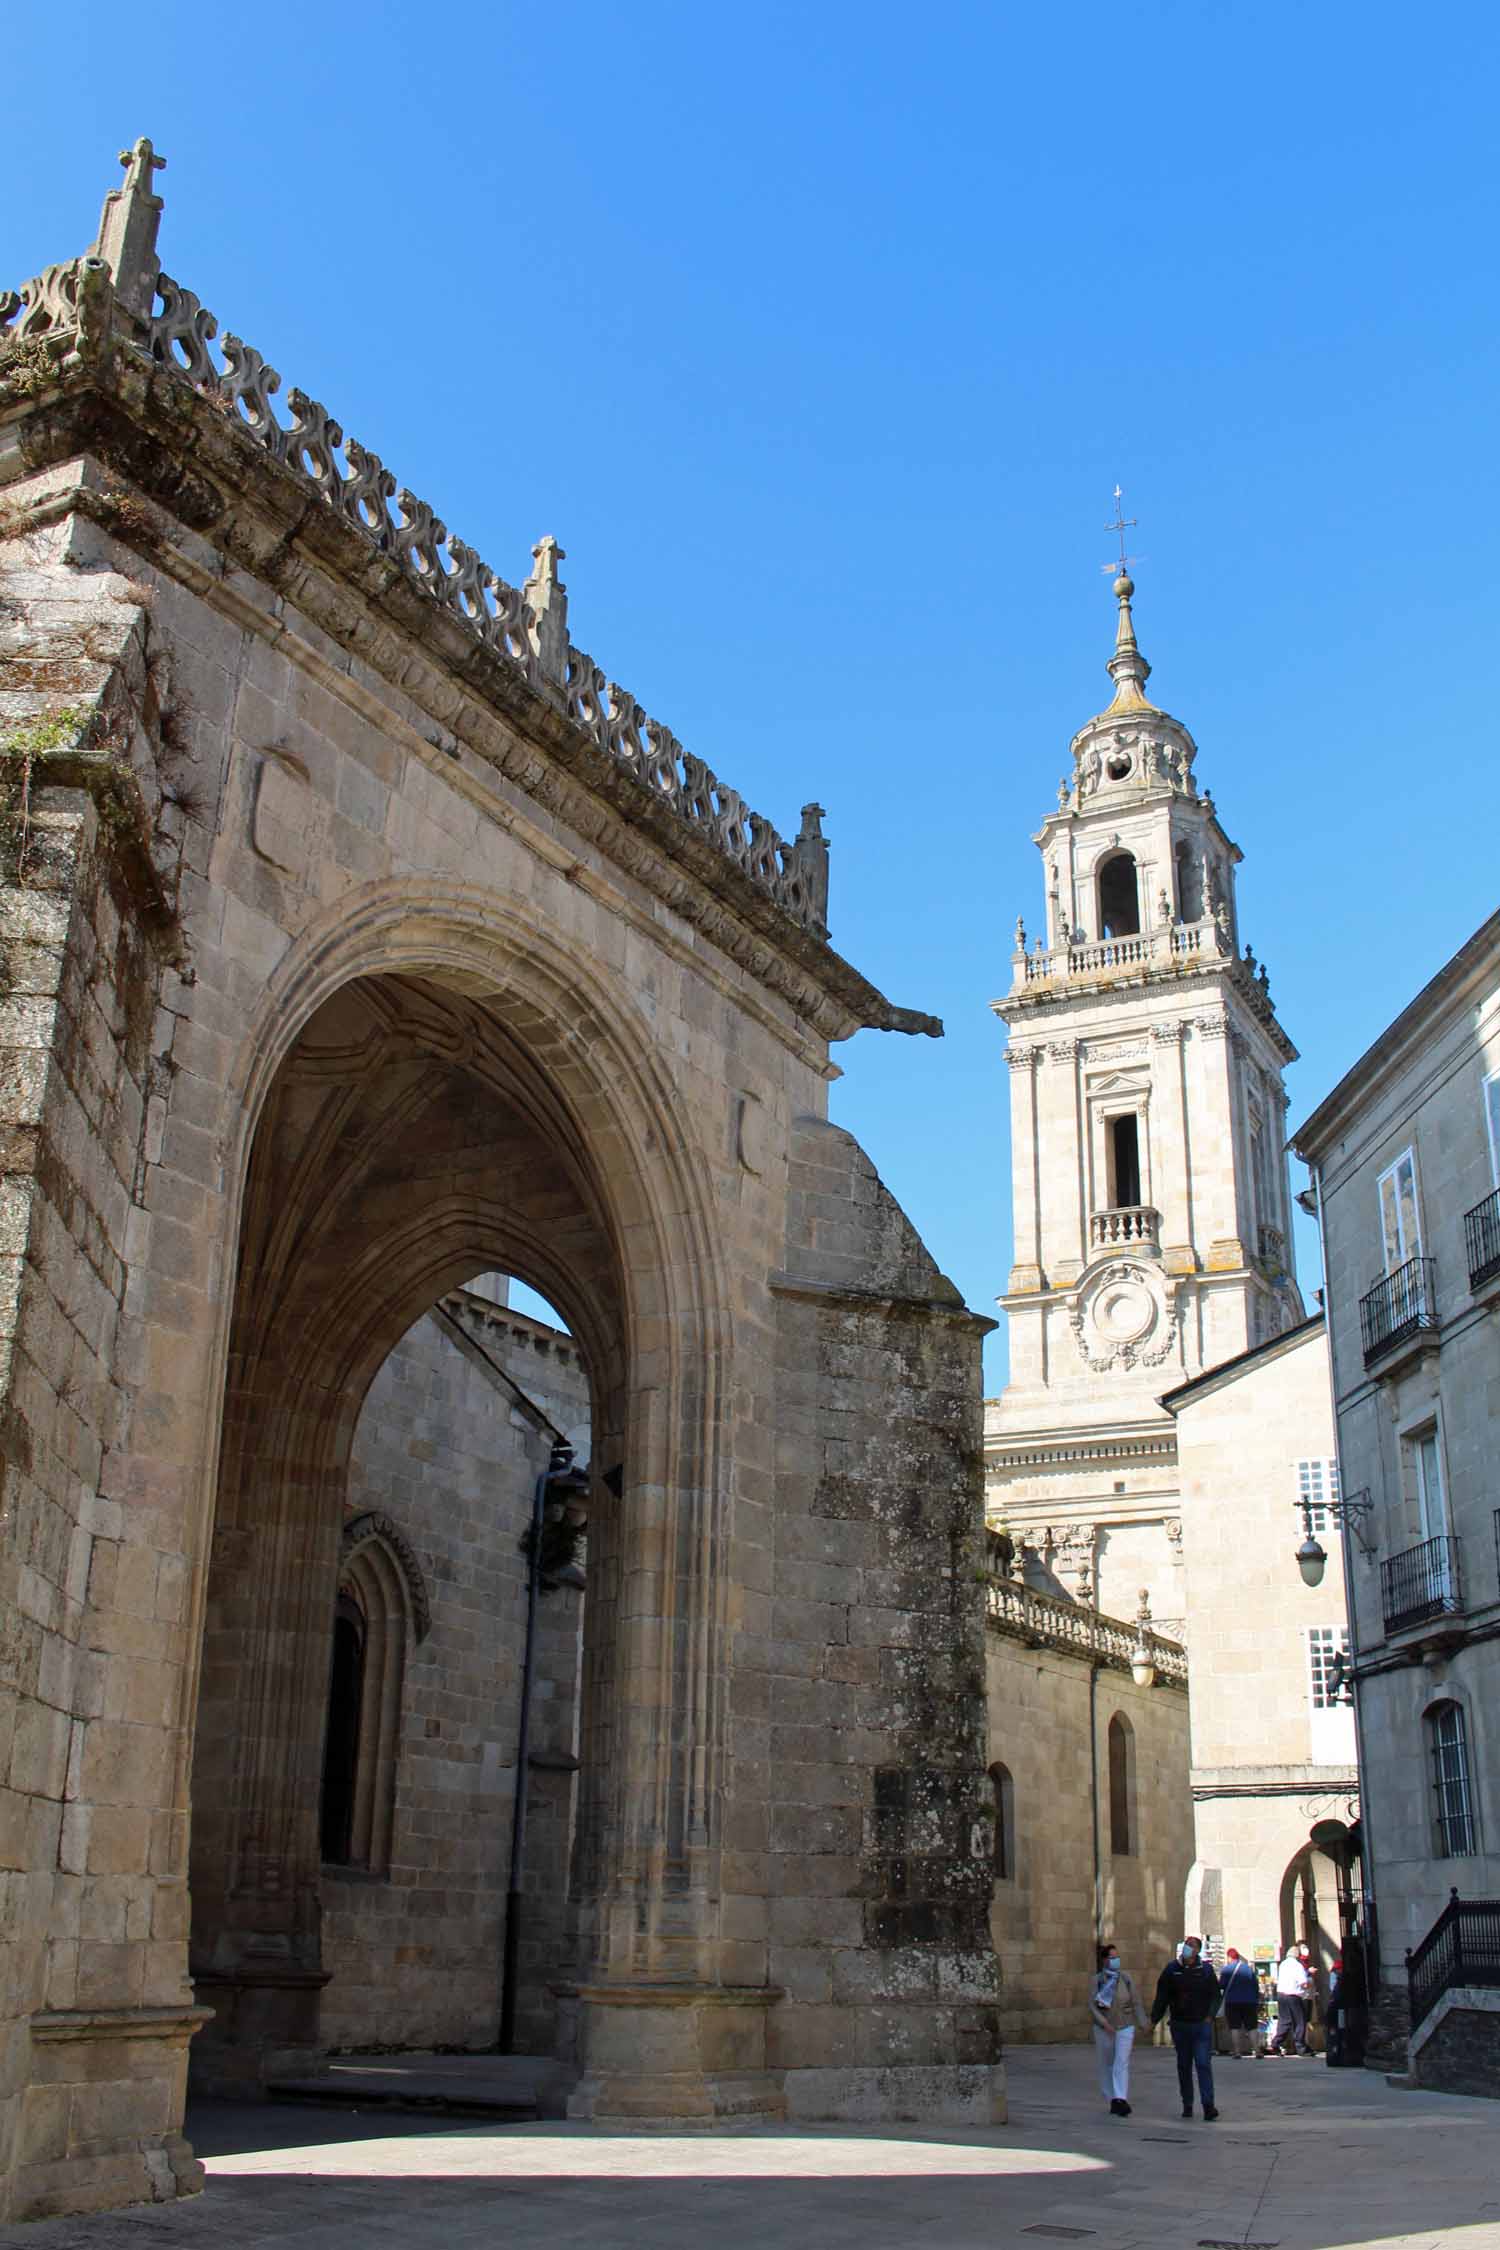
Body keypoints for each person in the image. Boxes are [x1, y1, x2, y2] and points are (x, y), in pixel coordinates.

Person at [1150, 1935, 1222, 2121]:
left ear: (1197, 1950)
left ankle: (1208, 2105)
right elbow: (1162, 1996)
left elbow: (1215, 1995)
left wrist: (1209, 2016)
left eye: (1192, 1945)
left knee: (1203, 2064)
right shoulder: (1172, 1969)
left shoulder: (1205, 1970)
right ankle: (1187, 2103)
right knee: (1184, 2065)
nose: (1187, 1948)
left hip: (1200, 2025)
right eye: (1186, 1944)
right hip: (1180, 2025)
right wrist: (1154, 2019)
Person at [1090, 1940, 1149, 2116]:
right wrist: (1103, 2022)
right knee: (1106, 2063)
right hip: (1104, 2027)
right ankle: (1112, 2098)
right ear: (1104, 1960)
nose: (1116, 1960)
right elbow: (1092, 2005)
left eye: (1117, 1957)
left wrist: (1143, 2022)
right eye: (1112, 1957)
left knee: (1121, 2062)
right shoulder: (1097, 1980)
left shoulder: (1125, 1978)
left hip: (1125, 2025)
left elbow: (1136, 2001)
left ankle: (1121, 2098)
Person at [1268, 1946, 1312, 2055]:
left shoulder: (1283, 1964)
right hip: (1293, 1996)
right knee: (1300, 2022)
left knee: (1285, 2021)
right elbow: (1303, 1983)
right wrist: (1309, 1982)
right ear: (1297, 1955)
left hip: (1281, 1995)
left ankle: (1275, 2043)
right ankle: (1300, 2047)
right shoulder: (1298, 1965)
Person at [1219, 1947, 1260, 2059]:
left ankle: (1237, 2052)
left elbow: (1221, 1985)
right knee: (1252, 2027)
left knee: (1235, 2027)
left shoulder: (1227, 1969)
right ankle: (1257, 2050)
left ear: (1229, 1957)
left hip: (1232, 2002)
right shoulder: (1248, 1969)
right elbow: (1256, 1986)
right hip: (1249, 2002)